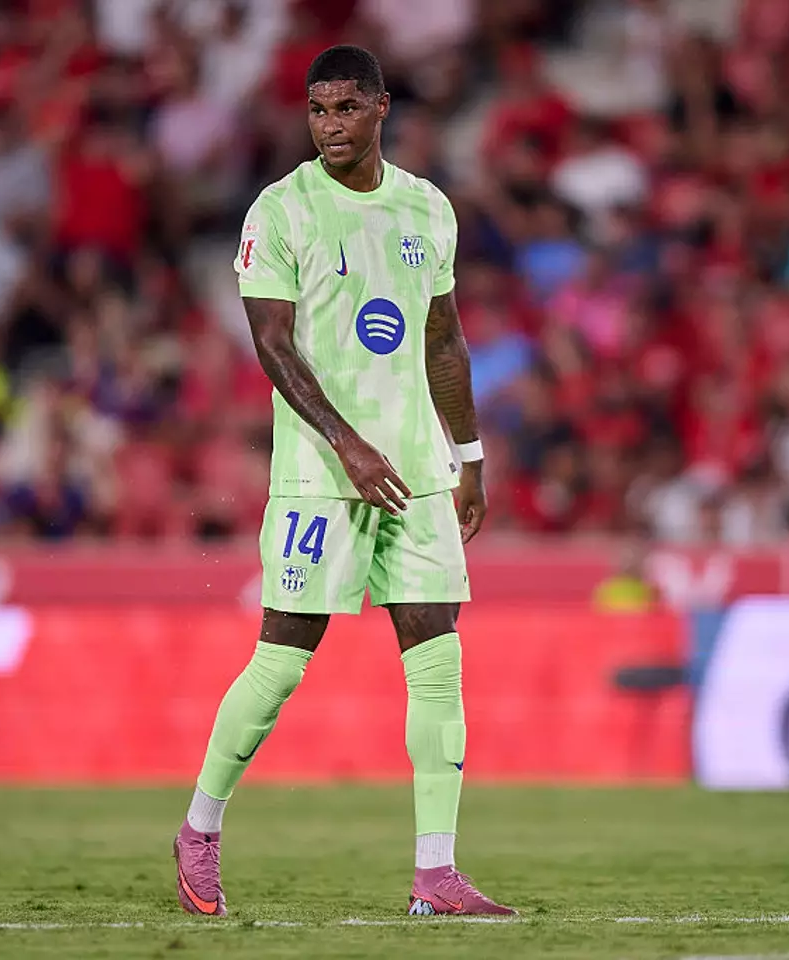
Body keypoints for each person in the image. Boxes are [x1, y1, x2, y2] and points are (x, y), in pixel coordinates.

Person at [173, 45, 513, 918]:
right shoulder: (281, 210)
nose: (330, 126)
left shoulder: (427, 209)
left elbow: (443, 341)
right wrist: (348, 446)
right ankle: (201, 828)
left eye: (347, 109)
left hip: (418, 473)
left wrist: (467, 458)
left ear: (382, 109)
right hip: (321, 477)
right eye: (318, 110)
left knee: (438, 666)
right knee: (283, 662)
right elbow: (273, 346)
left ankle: (436, 875)